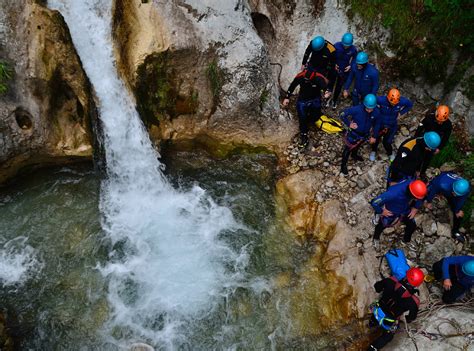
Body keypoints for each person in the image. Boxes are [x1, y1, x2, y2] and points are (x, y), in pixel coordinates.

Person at [367, 267, 423, 350]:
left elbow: (377, 287)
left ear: (406, 276)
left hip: (377, 311)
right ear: (417, 285)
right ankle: (373, 348)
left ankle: (372, 323)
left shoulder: (391, 281)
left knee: (378, 311)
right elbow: (411, 318)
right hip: (388, 321)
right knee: (388, 336)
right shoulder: (414, 302)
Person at [282, 69, 331, 148]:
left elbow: (327, 87)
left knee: (315, 116)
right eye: (305, 80)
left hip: (315, 98)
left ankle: (310, 120)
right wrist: (287, 97)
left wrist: (327, 92)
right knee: (302, 117)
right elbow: (293, 85)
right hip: (303, 99)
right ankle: (303, 134)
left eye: (308, 80)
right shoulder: (300, 76)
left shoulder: (319, 77)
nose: (306, 81)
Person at [370, 179, 427, 247]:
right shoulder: (393, 194)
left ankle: (406, 240)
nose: (416, 199)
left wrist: (416, 208)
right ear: (411, 193)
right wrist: (381, 211)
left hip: (404, 208)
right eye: (415, 198)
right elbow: (374, 202)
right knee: (381, 225)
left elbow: (421, 198)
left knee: (412, 225)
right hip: (391, 211)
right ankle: (376, 238)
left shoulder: (413, 184)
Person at [339, 94, 380, 175]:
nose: (369, 110)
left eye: (371, 109)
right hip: (353, 133)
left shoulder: (376, 112)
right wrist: (349, 124)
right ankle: (343, 165)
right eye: (367, 108)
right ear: (364, 104)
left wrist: (374, 136)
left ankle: (354, 155)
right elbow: (342, 114)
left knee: (358, 145)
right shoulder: (357, 109)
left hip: (364, 134)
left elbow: (377, 124)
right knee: (348, 148)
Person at [424, 173, 470, 243]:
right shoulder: (441, 182)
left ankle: (455, 231)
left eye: (456, 194)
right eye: (454, 192)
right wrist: (428, 201)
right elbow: (433, 189)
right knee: (426, 192)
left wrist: (457, 210)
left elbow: (462, 200)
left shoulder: (465, 190)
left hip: (451, 191)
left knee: (459, 214)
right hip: (444, 187)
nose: (455, 194)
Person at [370, 89, 413, 162]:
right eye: (392, 103)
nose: (393, 104)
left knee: (387, 142)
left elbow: (410, 105)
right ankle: (373, 151)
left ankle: (390, 154)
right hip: (380, 123)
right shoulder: (381, 100)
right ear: (388, 98)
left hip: (392, 125)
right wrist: (376, 111)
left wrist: (401, 112)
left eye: (395, 103)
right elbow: (371, 101)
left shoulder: (402, 101)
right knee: (376, 139)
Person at [414, 105, 452, 175]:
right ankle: (416, 170)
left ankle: (422, 173)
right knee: (419, 155)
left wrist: (439, 148)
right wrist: (416, 138)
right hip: (425, 139)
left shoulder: (448, 124)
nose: (439, 123)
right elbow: (420, 127)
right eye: (438, 121)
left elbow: (446, 137)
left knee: (427, 159)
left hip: (435, 143)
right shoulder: (429, 118)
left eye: (441, 122)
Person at [332, 32, 357, 109]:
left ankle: (334, 100)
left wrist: (350, 66)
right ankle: (327, 98)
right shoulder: (336, 45)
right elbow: (331, 56)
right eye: (344, 45)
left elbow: (355, 59)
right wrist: (334, 63)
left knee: (339, 86)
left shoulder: (353, 49)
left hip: (344, 70)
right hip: (335, 68)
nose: (346, 47)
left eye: (347, 45)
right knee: (331, 83)